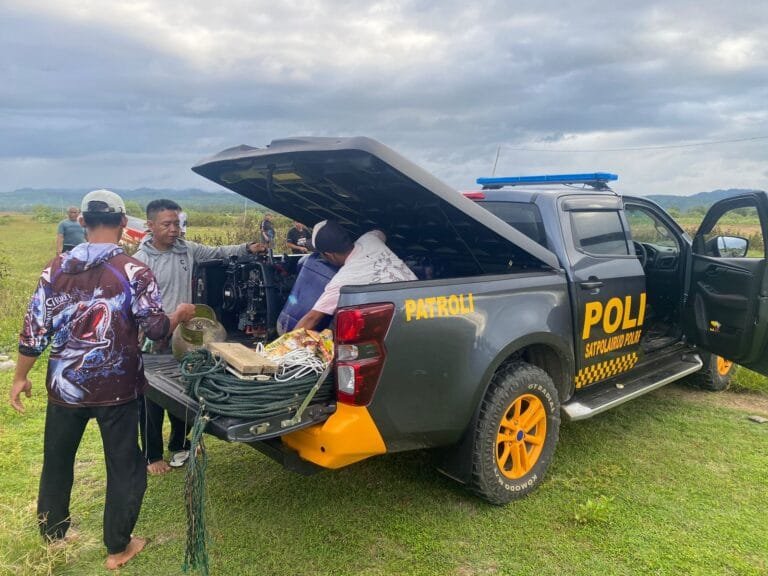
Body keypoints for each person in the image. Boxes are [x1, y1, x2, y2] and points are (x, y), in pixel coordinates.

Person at [9, 189, 196, 570]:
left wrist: (20, 377)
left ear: (82, 222)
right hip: (118, 389)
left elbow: (34, 330)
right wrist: (180, 314)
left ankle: (54, 534)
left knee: (57, 461)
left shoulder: (53, 270)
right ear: (125, 224)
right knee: (124, 466)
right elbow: (156, 329)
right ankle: (118, 547)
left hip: (65, 388)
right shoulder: (134, 271)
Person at [133, 199, 266, 474]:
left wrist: (246, 248)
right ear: (150, 226)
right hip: (152, 339)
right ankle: (153, 456)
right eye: (166, 224)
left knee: (185, 387)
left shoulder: (186, 250)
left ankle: (180, 446)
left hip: (185, 335)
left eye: (177, 224)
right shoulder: (138, 262)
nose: (173, 230)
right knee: (152, 398)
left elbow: (217, 251)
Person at [295, 220, 417, 331]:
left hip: (403, 322)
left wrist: (285, 348)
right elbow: (381, 231)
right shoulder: (370, 238)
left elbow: (312, 318)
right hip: (424, 307)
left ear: (328, 255)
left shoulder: (343, 281)